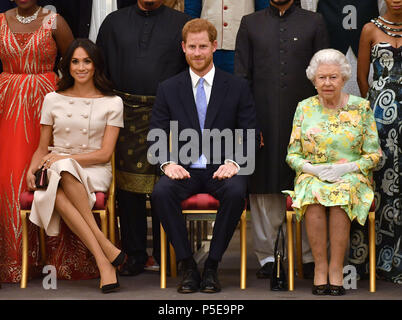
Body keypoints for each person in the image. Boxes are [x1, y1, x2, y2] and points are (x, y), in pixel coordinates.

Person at [149, 18, 256, 294]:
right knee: (161, 192)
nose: (197, 53)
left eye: (203, 47)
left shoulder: (237, 86)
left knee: (235, 191)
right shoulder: (168, 88)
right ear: (183, 47)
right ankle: (187, 265)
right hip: (183, 169)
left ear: (215, 47)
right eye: (192, 47)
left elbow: (250, 131)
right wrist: (167, 162)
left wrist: (234, 162)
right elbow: (157, 131)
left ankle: (212, 265)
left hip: (222, 168)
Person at [234, 0, 329, 280]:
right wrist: (249, 124)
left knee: (307, 184)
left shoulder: (315, 22)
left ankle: (310, 256)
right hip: (261, 117)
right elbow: (242, 78)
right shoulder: (250, 23)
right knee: (264, 185)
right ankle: (267, 257)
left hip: (306, 120)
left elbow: (323, 75)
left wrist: (321, 124)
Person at [96, 0, 191, 277]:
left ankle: (168, 254)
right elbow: (101, 69)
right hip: (124, 114)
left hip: (170, 115)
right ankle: (135, 255)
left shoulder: (181, 23)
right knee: (128, 189)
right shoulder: (114, 22)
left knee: (167, 185)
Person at [26, 39, 126, 293]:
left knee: (60, 176)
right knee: (58, 179)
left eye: (87, 61)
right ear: (67, 65)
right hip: (55, 166)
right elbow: (42, 147)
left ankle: (104, 256)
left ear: (96, 66)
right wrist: (30, 169)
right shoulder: (52, 98)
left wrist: (63, 160)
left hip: (93, 169)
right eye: (75, 61)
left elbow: (104, 154)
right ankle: (105, 255)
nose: (81, 67)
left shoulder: (112, 102)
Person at [283, 48, 382, 295]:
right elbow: (292, 155)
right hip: (313, 173)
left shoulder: (361, 108)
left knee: (341, 195)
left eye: (333, 77)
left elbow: (373, 154)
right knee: (315, 195)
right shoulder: (304, 108)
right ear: (313, 79)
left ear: (344, 78)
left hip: (351, 175)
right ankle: (320, 267)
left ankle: (337, 268)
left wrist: (348, 168)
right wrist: (312, 169)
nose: (327, 83)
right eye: (322, 77)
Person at [0, 0, 73, 283]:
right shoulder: (1, 20)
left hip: (47, 102)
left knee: (48, 172)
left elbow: (74, 59)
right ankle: (16, 260)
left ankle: (56, 258)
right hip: (8, 104)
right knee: (11, 176)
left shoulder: (55, 21)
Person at [352, 0, 401, 283]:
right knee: (380, 184)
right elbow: (362, 77)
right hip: (379, 118)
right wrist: (374, 111)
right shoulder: (370, 29)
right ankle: (376, 260)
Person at [184, 0, 270, 73]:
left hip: (244, 46)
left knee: (240, 88)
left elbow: (264, 11)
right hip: (206, 47)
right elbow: (191, 11)